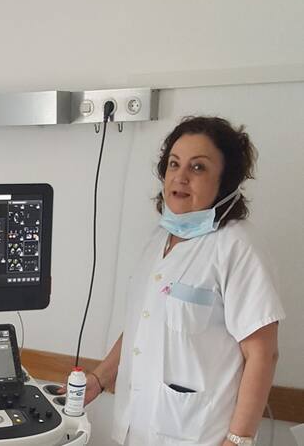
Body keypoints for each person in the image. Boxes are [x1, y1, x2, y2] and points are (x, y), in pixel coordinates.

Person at [84, 117, 285, 446]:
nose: (180, 176)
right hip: (136, 430)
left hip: (199, 436)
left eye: (198, 167)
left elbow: (263, 354)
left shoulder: (237, 246)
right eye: (174, 164)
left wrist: (238, 440)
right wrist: (100, 377)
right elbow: (143, 322)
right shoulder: (159, 239)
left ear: (225, 180)